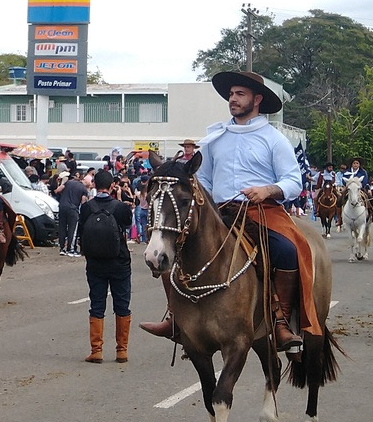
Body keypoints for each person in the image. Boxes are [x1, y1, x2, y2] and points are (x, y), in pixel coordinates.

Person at [142, 71, 307, 352]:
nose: (233, 99)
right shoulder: (214, 138)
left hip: (260, 211)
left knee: (287, 251)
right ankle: (175, 316)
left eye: (239, 94)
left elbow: (294, 181)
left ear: (257, 99)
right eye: (231, 94)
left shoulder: (274, 139)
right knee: (174, 248)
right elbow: (202, 181)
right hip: (217, 212)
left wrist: (267, 190)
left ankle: (280, 322)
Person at [78, 169, 133, 363]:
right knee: (122, 305)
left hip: (95, 263)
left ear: (93, 184)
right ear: (112, 186)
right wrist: (119, 198)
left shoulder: (87, 208)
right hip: (119, 262)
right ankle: (122, 350)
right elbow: (127, 225)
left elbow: (81, 232)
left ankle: (96, 350)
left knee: (97, 304)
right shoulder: (121, 208)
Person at [55, 171, 85, 256]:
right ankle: (70, 249)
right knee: (72, 229)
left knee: (62, 227)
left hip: (62, 207)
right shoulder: (82, 188)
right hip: (73, 209)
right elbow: (83, 202)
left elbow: (58, 190)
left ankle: (62, 248)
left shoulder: (68, 183)